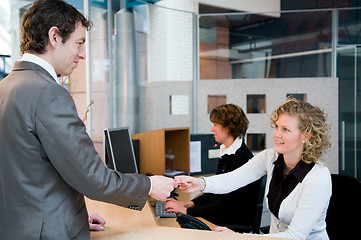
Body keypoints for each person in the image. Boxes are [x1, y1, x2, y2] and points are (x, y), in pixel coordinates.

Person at [0, 0, 177, 239]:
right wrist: (149, 185)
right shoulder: (48, 93)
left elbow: (28, 173)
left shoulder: (5, 87)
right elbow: (93, 177)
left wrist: (71, 214)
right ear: (54, 37)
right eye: (79, 43)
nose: (82, 55)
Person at [176, 97, 332, 240]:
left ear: (306, 136)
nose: (276, 134)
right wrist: (199, 183)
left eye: (285, 129)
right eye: (276, 127)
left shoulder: (318, 177)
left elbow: (295, 236)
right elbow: (234, 179)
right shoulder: (270, 157)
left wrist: (240, 236)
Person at [164, 104, 261, 230]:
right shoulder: (229, 153)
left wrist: (188, 211)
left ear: (228, 127)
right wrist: (190, 204)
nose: (212, 129)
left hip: (230, 222)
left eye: (215, 124)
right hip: (222, 214)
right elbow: (216, 191)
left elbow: (227, 204)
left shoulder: (241, 158)